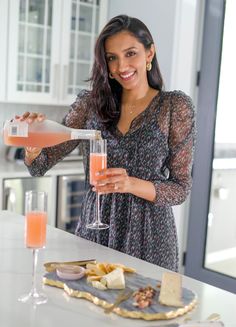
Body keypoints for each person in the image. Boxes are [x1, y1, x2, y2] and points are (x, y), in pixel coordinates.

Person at [20, 15, 195, 272]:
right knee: (90, 306)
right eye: (112, 57)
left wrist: (130, 183)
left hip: (150, 238)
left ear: (149, 53)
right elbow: (39, 166)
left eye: (130, 53)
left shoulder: (174, 107)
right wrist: (33, 146)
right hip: (96, 229)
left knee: (143, 310)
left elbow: (181, 188)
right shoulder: (90, 105)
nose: (121, 66)